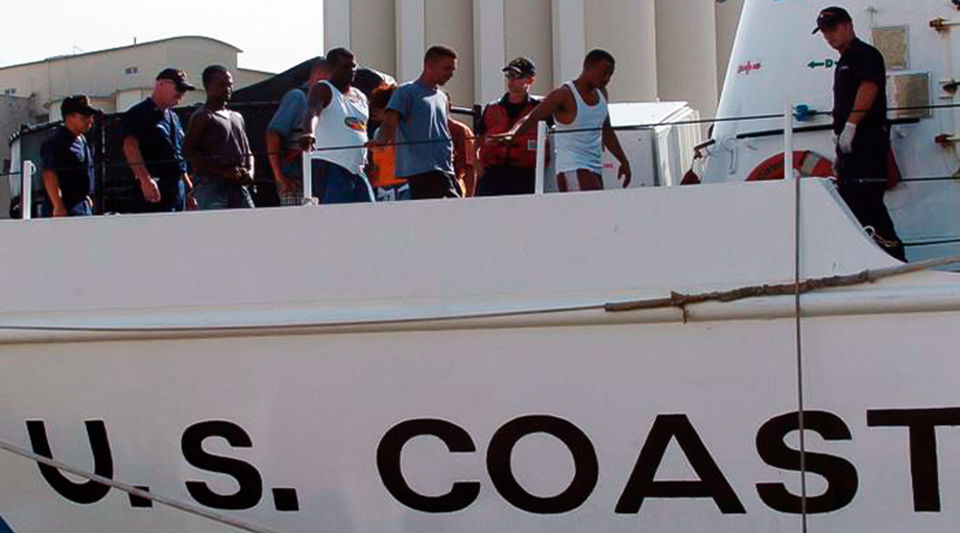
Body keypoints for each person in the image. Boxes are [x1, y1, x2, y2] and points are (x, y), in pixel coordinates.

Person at [815, 6, 905, 261]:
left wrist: (852, 125)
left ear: (848, 26)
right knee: (853, 200)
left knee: (868, 203)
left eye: (832, 29)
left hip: (866, 142)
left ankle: (895, 257)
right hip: (852, 147)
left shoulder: (864, 55)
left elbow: (869, 87)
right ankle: (874, 258)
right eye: (824, 32)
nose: (829, 36)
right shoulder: (845, 59)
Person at [495, 49, 631, 192]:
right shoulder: (564, 94)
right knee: (590, 209)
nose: (607, 79)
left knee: (594, 210)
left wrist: (623, 160)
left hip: (596, 167)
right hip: (572, 167)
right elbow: (532, 117)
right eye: (604, 73)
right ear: (588, 69)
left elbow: (606, 129)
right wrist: (511, 134)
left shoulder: (602, 93)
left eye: (610, 74)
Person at [373, 45, 459, 199]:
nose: (451, 74)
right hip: (422, 170)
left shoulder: (442, 96)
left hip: (445, 167)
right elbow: (390, 120)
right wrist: (380, 141)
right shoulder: (406, 91)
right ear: (429, 66)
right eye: (447, 68)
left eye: (453, 70)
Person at [301, 48, 374, 204]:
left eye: (354, 66)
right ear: (332, 68)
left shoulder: (361, 97)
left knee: (370, 215)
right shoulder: (323, 89)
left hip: (358, 168)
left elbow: (362, 130)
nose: (352, 70)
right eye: (346, 66)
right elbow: (312, 111)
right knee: (336, 217)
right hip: (331, 164)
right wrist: (309, 133)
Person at [122, 68, 197, 213]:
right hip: (155, 184)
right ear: (160, 85)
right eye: (178, 88)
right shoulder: (139, 113)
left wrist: (188, 188)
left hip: (176, 188)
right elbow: (130, 146)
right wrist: (145, 179)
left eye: (184, 90)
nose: (181, 94)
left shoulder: (174, 117)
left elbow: (177, 155)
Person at [184, 65, 255, 210]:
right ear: (207, 86)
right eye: (222, 84)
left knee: (249, 227)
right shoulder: (202, 116)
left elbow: (248, 152)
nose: (228, 88)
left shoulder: (237, 117)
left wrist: (250, 172)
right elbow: (189, 150)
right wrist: (223, 171)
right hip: (211, 185)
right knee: (211, 228)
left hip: (239, 185)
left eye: (230, 85)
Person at [476, 57, 545, 196]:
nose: (511, 80)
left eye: (517, 76)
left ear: (530, 80)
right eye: (509, 76)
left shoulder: (541, 109)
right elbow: (476, 139)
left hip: (526, 174)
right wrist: (476, 163)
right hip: (493, 174)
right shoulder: (492, 108)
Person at [266, 59, 329, 206]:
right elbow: (273, 134)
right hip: (295, 182)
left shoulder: (326, 102)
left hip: (317, 181)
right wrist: (280, 178)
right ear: (319, 75)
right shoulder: (298, 97)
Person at [40, 95, 100, 217]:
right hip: (65, 207)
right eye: (84, 116)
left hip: (81, 205)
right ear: (69, 117)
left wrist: (85, 196)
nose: (90, 120)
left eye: (91, 116)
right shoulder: (56, 142)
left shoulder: (82, 140)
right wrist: (58, 204)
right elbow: (49, 174)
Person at [367, 83, 411, 201]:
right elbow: (377, 164)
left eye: (380, 107)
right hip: (383, 187)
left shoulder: (406, 128)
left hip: (404, 185)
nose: (374, 112)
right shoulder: (377, 132)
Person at [446, 91, 477, 197]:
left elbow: (470, 168)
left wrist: (468, 199)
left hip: (454, 189)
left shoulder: (460, 131)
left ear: (449, 105)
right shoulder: (423, 131)